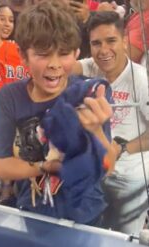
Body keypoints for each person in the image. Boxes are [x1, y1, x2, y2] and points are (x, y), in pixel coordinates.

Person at [0, 0, 116, 225]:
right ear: (22, 55)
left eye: (64, 53)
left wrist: (96, 130)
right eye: (43, 54)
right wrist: (44, 167)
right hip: (33, 212)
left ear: (77, 53)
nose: (54, 64)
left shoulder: (90, 94)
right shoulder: (9, 97)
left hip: (86, 214)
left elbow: (108, 166)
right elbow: (2, 166)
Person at [73, 11, 149, 234]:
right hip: (97, 175)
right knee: (92, 234)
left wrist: (121, 147)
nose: (103, 50)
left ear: (125, 41)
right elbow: (66, 64)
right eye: (96, 43)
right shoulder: (93, 66)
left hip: (129, 180)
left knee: (122, 238)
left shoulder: (141, 81)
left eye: (111, 41)